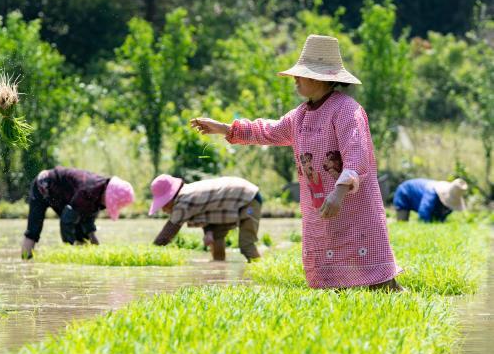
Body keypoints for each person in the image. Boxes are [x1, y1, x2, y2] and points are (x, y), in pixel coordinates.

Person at [191, 34, 402, 291]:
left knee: (377, 280)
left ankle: (399, 301)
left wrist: (340, 190)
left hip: (352, 204)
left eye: (300, 75)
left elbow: (357, 152)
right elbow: (267, 130)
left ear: (319, 78)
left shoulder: (347, 110)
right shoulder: (300, 116)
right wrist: (224, 129)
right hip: (319, 204)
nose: (295, 79)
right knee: (332, 282)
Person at [21, 167, 134, 260]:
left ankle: (81, 260)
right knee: (34, 229)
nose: (106, 206)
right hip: (44, 184)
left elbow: (88, 218)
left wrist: (93, 239)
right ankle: (25, 260)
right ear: (107, 193)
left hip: (63, 194)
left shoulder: (99, 193)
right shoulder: (88, 190)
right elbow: (66, 221)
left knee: (80, 231)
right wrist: (69, 251)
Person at [149, 174, 262, 262]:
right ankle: (219, 268)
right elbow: (208, 212)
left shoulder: (183, 201)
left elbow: (168, 232)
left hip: (249, 200)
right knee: (216, 237)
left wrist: (152, 252)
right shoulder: (189, 192)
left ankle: (260, 272)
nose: (163, 210)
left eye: (163, 204)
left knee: (246, 245)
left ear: (170, 198)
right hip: (235, 200)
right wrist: (209, 232)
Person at [393, 178, 467, 222]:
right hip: (404, 193)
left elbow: (442, 215)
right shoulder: (431, 193)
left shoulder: (448, 205)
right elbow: (423, 212)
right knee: (402, 222)